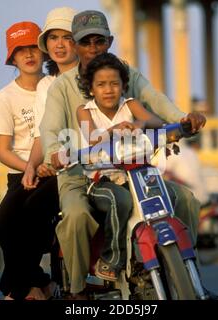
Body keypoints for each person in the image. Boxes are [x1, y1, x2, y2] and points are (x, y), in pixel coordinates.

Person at [39, 10, 211, 299]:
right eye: (85, 42)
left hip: (132, 170)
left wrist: (183, 121)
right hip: (82, 175)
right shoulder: (62, 88)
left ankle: (187, 271)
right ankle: (78, 289)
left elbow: (155, 100)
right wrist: (55, 153)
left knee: (186, 200)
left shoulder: (126, 74)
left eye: (99, 41)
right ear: (76, 45)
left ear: (110, 41)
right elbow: (50, 128)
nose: (93, 48)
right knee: (76, 216)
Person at [76, 52, 168, 281]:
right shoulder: (85, 111)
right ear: (91, 88)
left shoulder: (130, 104)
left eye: (114, 83)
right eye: (101, 84)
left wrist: (140, 123)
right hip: (100, 181)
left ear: (123, 86)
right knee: (121, 200)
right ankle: (111, 259)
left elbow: (156, 122)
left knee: (167, 198)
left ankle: (170, 262)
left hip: (135, 176)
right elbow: (91, 138)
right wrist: (113, 130)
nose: (108, 90)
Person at [0, 21, 59, 300]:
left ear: (43, 51)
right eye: (20, 51)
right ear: (13, 59)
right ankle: (39, 283)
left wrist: (45, 165)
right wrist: (29, 167)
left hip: (54, 171)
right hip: (21, 175)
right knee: (2, 222)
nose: (29, 55)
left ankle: (21, 290)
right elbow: (3, 151)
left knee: (30, 219)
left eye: (33, 47)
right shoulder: (5, 96)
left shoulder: (55, 85)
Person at [22, 7, 78, 189]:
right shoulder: (45, 85)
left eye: (67, 37)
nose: (59, 44)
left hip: (83, 165)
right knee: (8, 215)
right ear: (46, 44)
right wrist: (31, 166)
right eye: (53, 38)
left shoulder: (95, 78)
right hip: (54, 167)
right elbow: (41, 136)